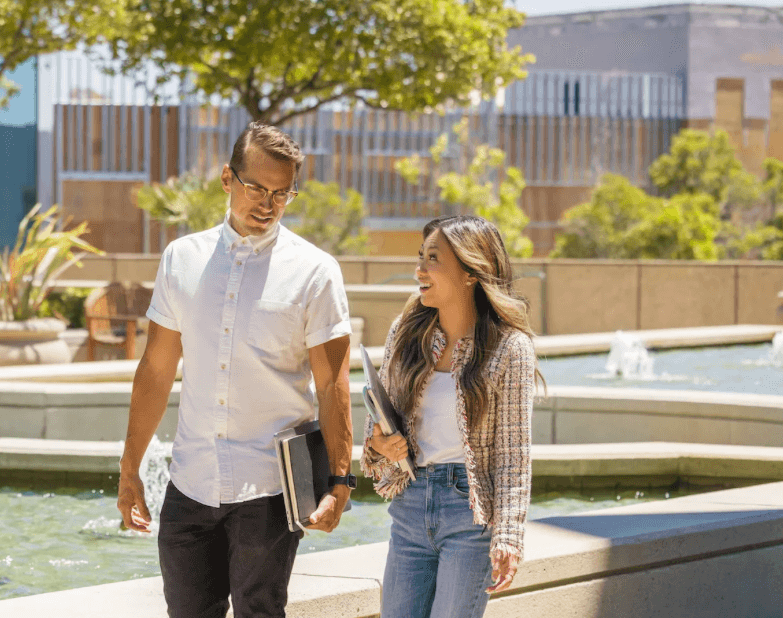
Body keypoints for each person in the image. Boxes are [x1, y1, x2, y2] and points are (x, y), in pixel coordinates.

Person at [117, 122, 355, 618]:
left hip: (268, 489)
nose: (268, 204)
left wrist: (339, 483)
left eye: (282, 193)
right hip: (190, 483)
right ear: (228, 178)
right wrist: (130, 466)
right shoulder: (181, 258)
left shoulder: (315, 271)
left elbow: (333, 384)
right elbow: (156, 371)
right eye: (256, 188)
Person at [362, 215, 539, 618]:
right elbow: (373, 430)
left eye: (433, 258)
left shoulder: (510, 349)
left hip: (470, 517)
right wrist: (380, 444)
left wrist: (509, 536)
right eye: (420, 256)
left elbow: (514, 456)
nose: (419, 270)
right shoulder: (406, 334)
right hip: (409, 506)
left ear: (469, 272)